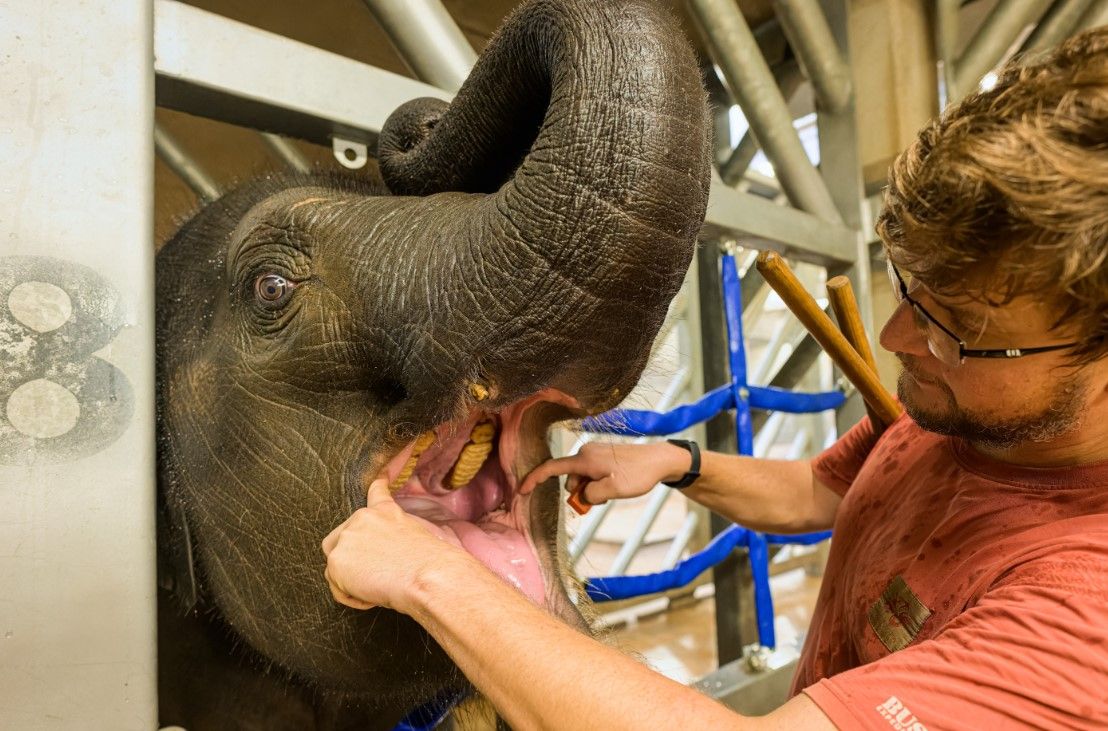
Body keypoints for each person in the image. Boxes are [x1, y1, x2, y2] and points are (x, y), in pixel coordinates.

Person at [322, 27, 1108, 730]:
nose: (898, 337)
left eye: (955, 333)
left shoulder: (1082, 620)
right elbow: (829, 490)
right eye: (912, 294)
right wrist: (675, 463)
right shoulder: (963, 414)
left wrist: (430, 574)